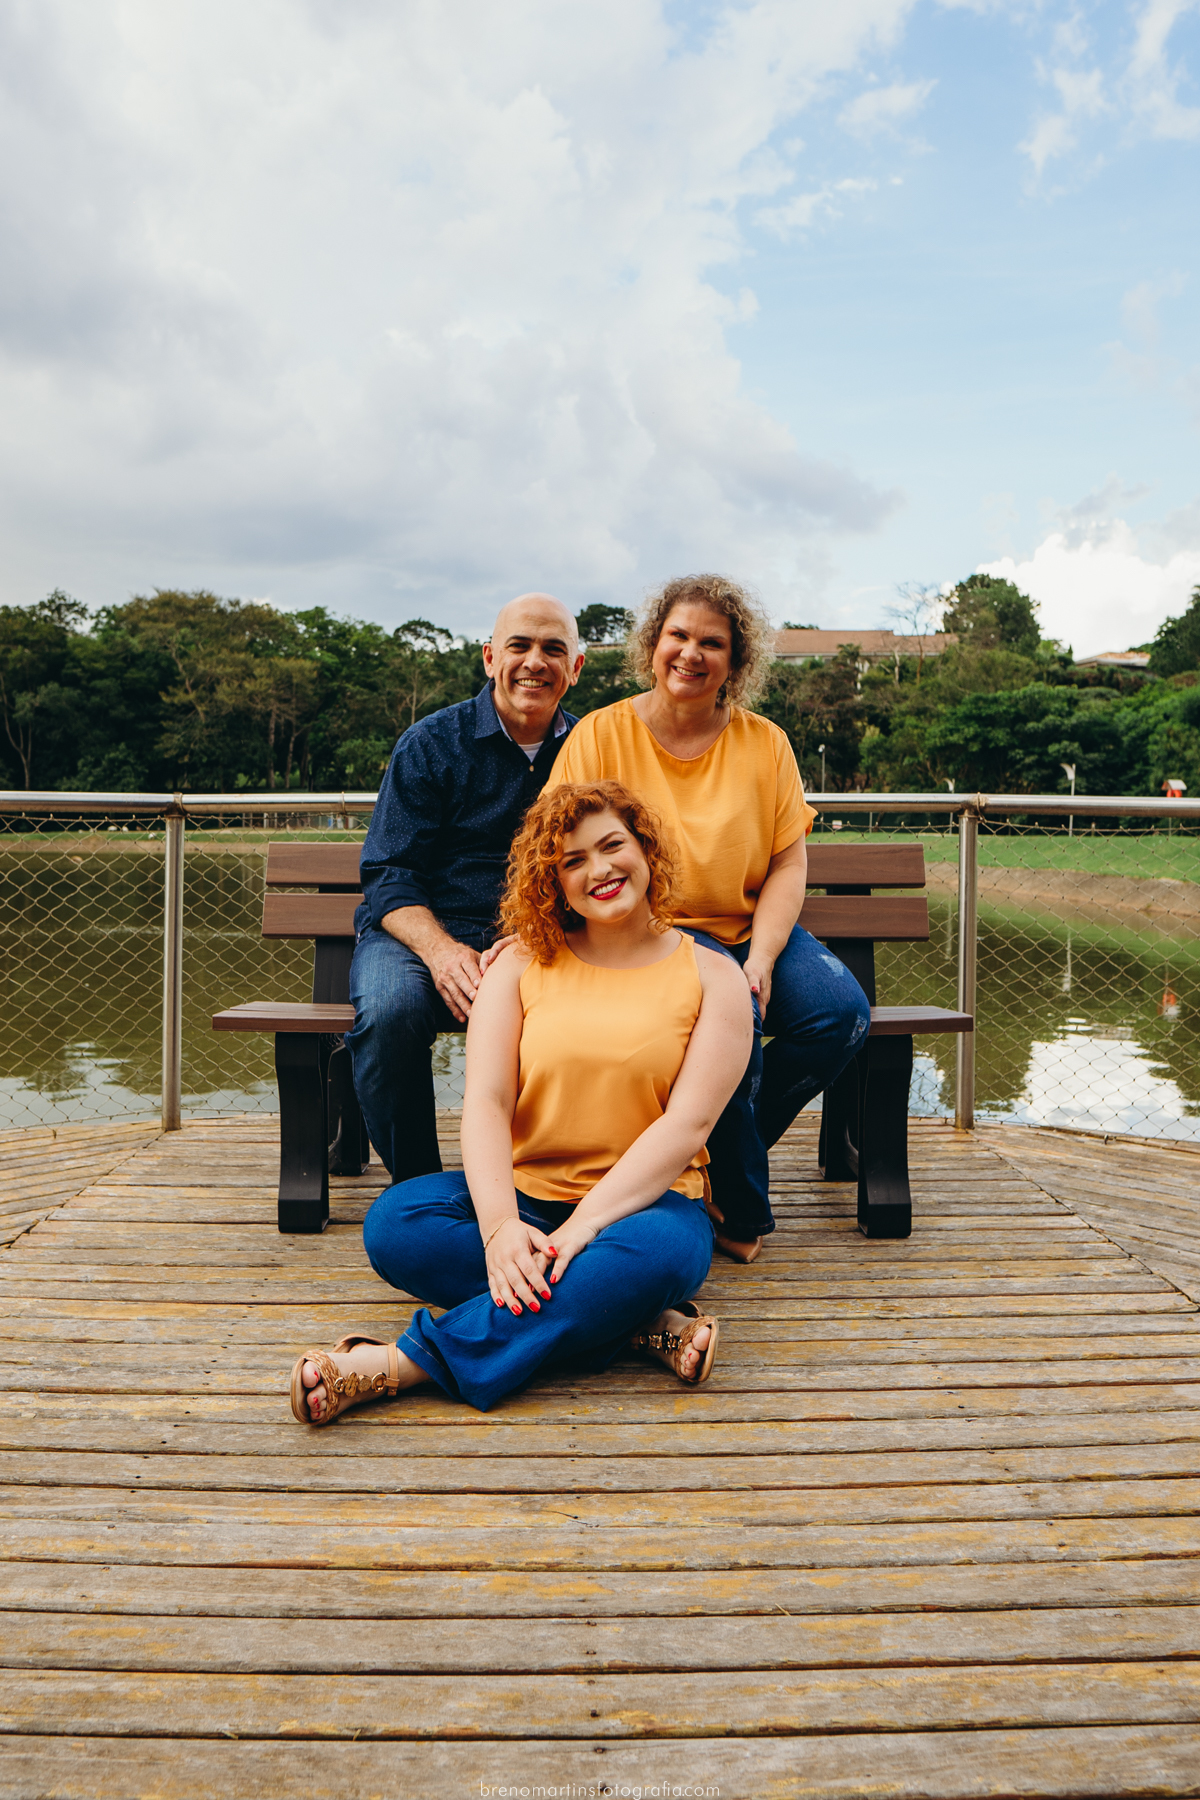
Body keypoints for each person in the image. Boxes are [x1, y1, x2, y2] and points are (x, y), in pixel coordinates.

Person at [292, 781, 751, 1423]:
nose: (600, 870)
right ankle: (631, 1322)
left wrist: (581, 1228)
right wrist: (500, 1227)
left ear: (646, 849)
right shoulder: (519, 965)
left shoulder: (715, 976)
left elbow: (689, 1124)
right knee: (394, 1224)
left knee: (660, 1256)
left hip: (648, 1207)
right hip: (527, 1193)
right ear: (553, 882)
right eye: (572, 862)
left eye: (612, 846)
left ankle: (403, 1364)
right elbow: (485, 1101)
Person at [544, 573, 871, 1263]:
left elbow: (787, 864)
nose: (691, 654)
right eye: (679, 636)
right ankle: (740, 1208)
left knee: (840, 1011)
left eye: (712, 643)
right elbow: (556, 843)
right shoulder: (601, 734)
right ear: (653, 644)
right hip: (647, 934)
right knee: (739, 1023)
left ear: (736, 661)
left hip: (748, 929)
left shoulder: (765, 743)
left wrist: (760, 957)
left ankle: (709, 1157)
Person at [346, 593, 585, 1184]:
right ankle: (421, 1189)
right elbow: (389, 873)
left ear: (575, 669)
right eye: (519, 646)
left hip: (536, 936)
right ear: (488, 658)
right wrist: (441, 951)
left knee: (598, 1012)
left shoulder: (591, 749)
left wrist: (534, 938)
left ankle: (549, 1183)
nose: (535, 662)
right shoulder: (430, 743)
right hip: (419, 931)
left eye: (554, 649)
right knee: (390, 1011)